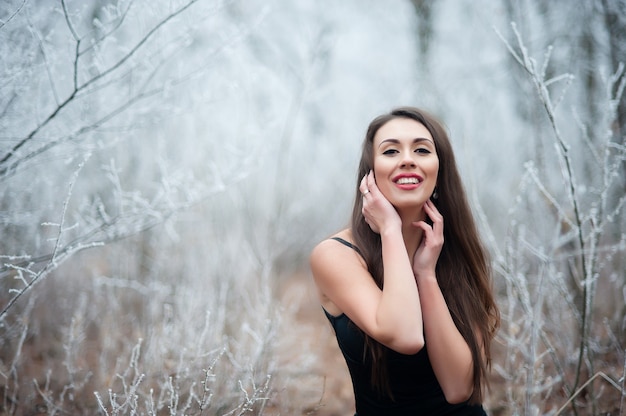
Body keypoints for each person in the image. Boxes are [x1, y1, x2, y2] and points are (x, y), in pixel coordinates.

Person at [309, 107, 500, 415]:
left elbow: (458, 389)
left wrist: (425, 274)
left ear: (439, 172)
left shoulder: (456, 252)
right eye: (391, 150)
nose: (407, 158)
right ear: (370, 174)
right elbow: (405, 335)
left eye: (422, 149)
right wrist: (390, 230)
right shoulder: (336, 255)